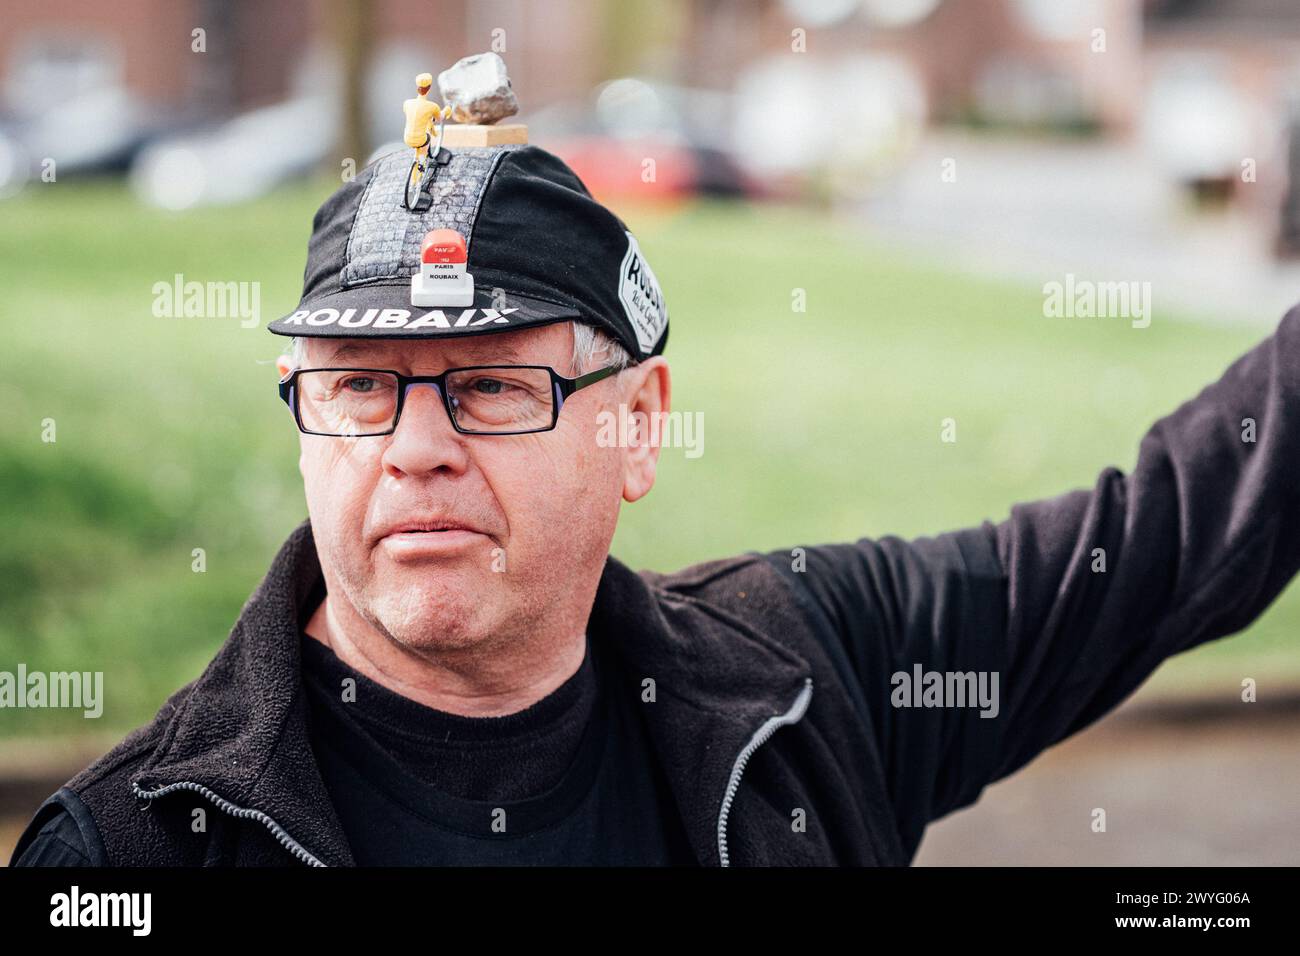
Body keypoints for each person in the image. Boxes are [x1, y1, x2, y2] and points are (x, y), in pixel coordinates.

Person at [12, 131, 1300, 867]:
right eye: (357, 387)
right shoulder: (135, 854)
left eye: (489, 386)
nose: (412, 450)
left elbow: (1164, 539)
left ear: (638, 424)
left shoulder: (807, 679)